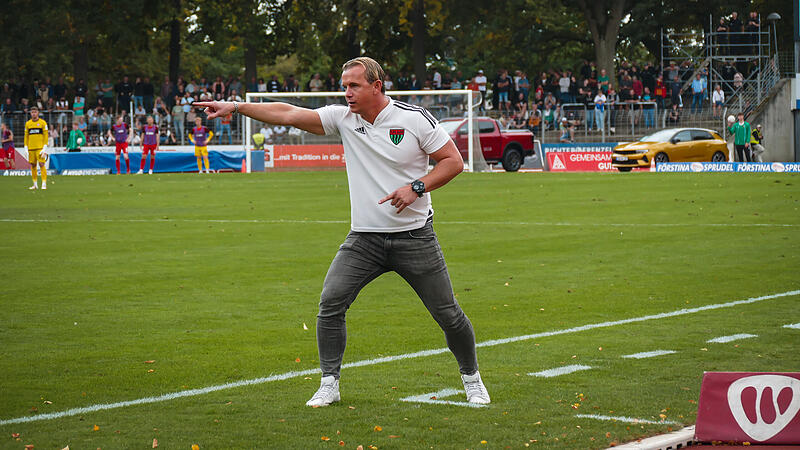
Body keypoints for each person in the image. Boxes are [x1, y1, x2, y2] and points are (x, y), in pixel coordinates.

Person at [196, 56, 490, 407]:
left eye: (354, 86)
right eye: (344, 86)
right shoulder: (343, 118)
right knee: (330, 302)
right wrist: (235, 106)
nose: (346, 93)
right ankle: (329, 383)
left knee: (448, 314)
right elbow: (288, 113)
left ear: (376, 86)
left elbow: (453, 162)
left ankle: (472, 379)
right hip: (364, 238)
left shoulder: (413, 119)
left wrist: (416, 187)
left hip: (414, 237)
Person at [24, 107, 49, 190]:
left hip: (40, 148)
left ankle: (44, 183)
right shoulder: (28, 124)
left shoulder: (43, 123)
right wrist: (25, 147)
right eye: (32, 112)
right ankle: (35, 184)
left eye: (35, 112)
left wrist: (44, 147)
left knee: (41, 164)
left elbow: (46, 136)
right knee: (33, 165)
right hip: (31, 148)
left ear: (38, 113)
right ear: (30, 113)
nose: (33, 114)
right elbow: (26, 136)